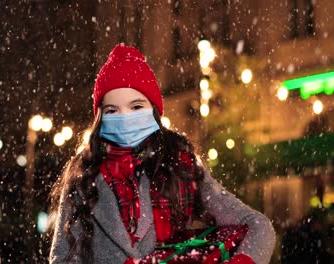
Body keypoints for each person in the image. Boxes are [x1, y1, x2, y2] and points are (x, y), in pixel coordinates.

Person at [49, 44, 275, 263]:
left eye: (136, 107)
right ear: (101, 117)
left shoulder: (180, 166)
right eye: (112, 110)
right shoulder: (83, 176)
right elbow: (62, 259)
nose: (125, 116)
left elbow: (258, 226)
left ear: (153, 109)